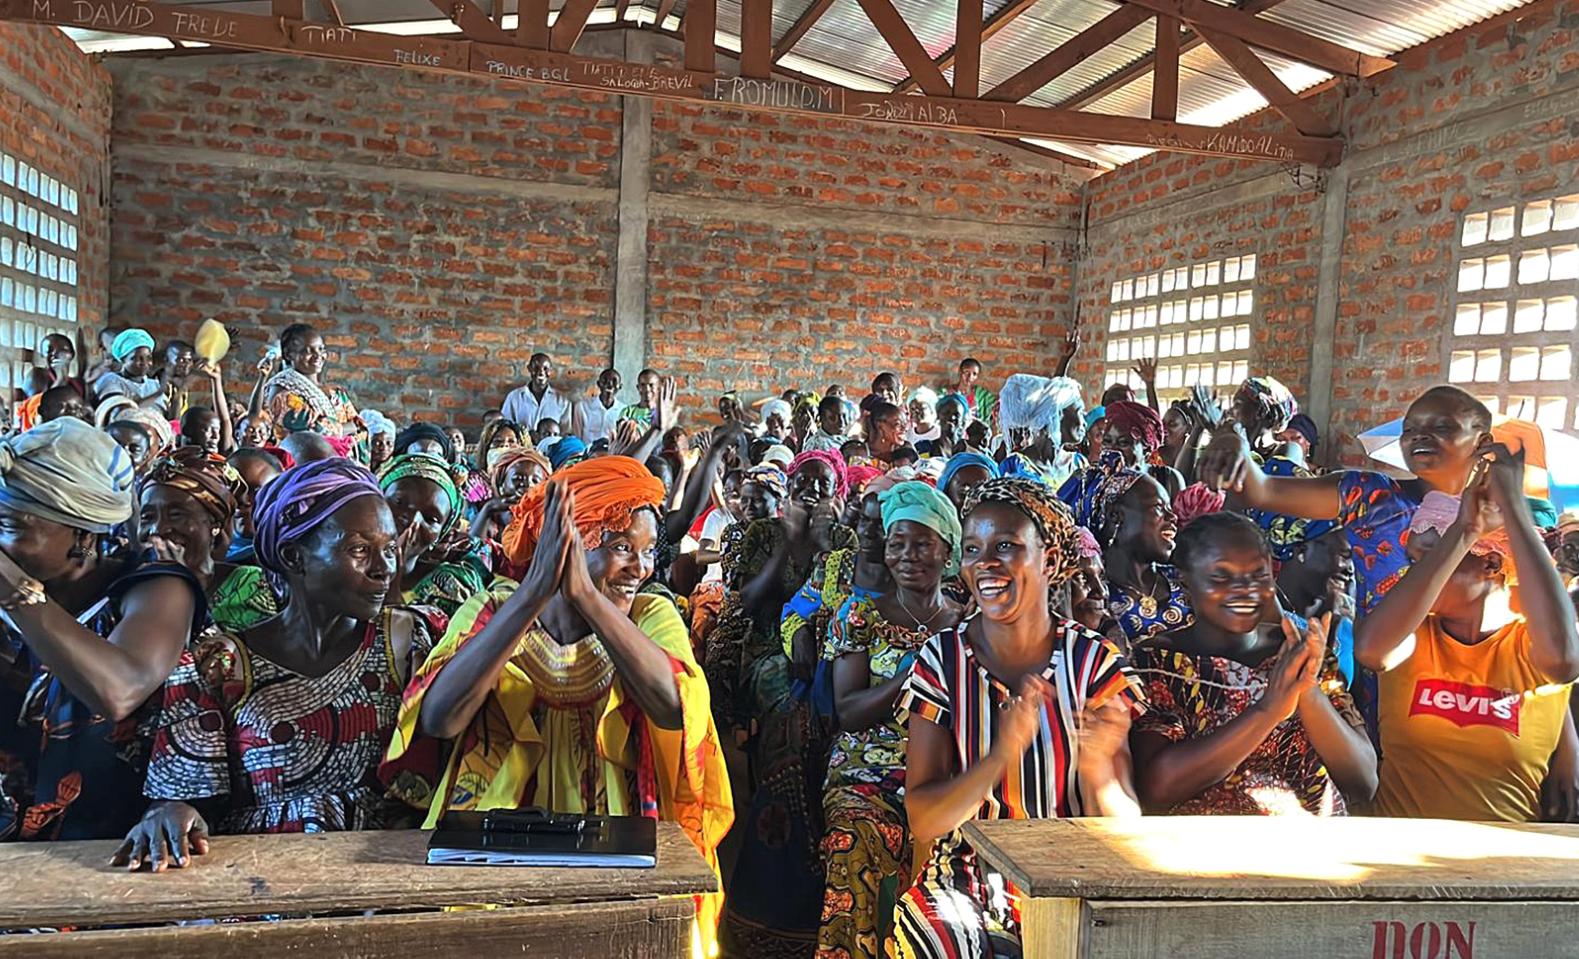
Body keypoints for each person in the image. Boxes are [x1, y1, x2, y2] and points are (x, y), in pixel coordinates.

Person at [381, 458, 732, 950]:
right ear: (567, 547)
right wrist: (533, 596)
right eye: (622, 548)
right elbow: (441, 718)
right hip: (499, 843)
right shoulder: (496, 608)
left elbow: (675, 708)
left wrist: (587, 597)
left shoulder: (653, 614)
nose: (641, 568)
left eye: (648, 551)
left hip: (619, 840)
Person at [115, 460, 444, 865]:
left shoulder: (416, 641)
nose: (384, 569)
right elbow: (180, 802)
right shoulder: (217, 665)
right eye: (359, 549)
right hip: (259, 886)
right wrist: (170, 814)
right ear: (293, 556)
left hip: (387, 884)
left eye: (389, 549)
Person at [895, 478, 1143, 958]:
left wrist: (1097, 770)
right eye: (972, 548)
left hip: (1072, 874)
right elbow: (924, 820)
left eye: (1006, 546)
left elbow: (1124, 830)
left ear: (1049, 561)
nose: (984, 562)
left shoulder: (1092, 663)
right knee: (936, 941)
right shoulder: (943, 658)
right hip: (969, 874)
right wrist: (999, 757)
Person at [0, 418, 207, 841]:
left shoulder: (156, 586)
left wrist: (13, 591)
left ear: (84, 530)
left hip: (107, 846)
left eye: (12, 527)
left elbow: (120, 689)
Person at [1356, 451, 1579, 822]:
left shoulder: (1531, 646)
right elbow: (1370, 650)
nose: (1416, 577)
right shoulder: (1410, 635)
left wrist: (1513, 508)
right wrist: (1463, 531)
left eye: (1432, 560)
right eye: (1415, 562)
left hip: (1502, 868)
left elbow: (1564, 662)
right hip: (1398, 862)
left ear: (1490, 564)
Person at [710, 449, 858, 957]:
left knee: (844, 711)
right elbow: (747, 602)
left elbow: (853, 606)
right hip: (769, 651)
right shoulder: (763, 534)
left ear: (836, 491)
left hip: (836, 648)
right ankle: (782, 872)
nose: (813, 493)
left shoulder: (845, 539)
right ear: (791, 487)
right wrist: (790, 544)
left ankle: (835, 854)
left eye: (823, 485)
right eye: (805, 483)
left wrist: (821, 548)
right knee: (794, 717)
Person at [1128, 513, 1377, 815]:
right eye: (1221, 576)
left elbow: (1363, 781)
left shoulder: (1299, 650)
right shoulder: (1155, 663)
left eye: (1258, 575)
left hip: (1312, 849)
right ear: (1185, 581)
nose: (1245, 588)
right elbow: (1157, 790)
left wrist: (1309, 693)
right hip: (1203, 854)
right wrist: (1268, 710)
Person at [820, 481, 963, 959]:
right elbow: (849, 711)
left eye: (922, 543)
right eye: (897, 543)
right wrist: (907, 677)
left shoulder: (967, 624)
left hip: (944, 774)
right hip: (867, 775)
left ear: (948, 551)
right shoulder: (861, 613)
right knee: (854, 842)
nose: (907, 555)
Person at [380, 453, 489, 617]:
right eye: (399, 503)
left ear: (442, 532)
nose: (413, 521)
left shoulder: (451, 585)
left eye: (431, 519)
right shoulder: (345, 564)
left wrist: (393, 578)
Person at [1100, 473, 1189, 650]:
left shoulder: (1187, 579)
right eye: (1158, 507)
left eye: (1169, 508)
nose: (1172, 517)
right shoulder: (1095, 595)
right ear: (1115, 516)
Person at [1277, 527, 1358, 685]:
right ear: (1301, 551)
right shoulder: (1266, 618)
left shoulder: (1348, 626)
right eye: (1344, 555)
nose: (1351, 570)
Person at [261, 324, 362, 446]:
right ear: (288, 354)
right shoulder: (282, 390)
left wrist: (343, 428)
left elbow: (361, 427)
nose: (318, 355)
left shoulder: (335, 392)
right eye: (308, 351)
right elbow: (312, 434)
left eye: (321, 349)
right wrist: (348, 428)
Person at [998, 373, 1087, 489]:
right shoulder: (1016, 466)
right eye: (1079, 412)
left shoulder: (1079, 464)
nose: (1084, 422)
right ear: (1055, 416)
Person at [222, 447, 282, 564]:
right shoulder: (202, 548)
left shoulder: (285, 558)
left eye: (257, 491)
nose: (243, 500)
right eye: (233, 488)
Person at [94, 329, 166, 413]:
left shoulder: (153, 385)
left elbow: (170, 417)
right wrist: (159, 393)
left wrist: (178, 394)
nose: (145, 363)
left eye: (149, 358)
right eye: (137, 358)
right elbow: (123, 412)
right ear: (123, 359)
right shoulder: (110, 381)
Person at [499, 353, 571, 430]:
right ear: (529, 369)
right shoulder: (514, 397)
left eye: (545, 369)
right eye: (536, 368)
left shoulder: (562, 401)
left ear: (550, 371)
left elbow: (565, 432)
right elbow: (505, 427)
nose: (541, 372)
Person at [571, 368, 623, 445]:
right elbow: (577, 438)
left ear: (620, 386)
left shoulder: (624, 410)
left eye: (614, 381)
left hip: (612, 455)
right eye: (605, 380)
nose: (610, 384)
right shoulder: (582, 407)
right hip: (588, 455)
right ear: (598, 384)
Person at [952, 357, 997, 429]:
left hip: (975, 437)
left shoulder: (982, 396)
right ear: (960, 372)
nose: (970, 377)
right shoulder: (947, 393)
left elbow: (994, 414)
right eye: (967, 372)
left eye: (974, 374)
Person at [866, 401, 908, 469]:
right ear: (880, 426)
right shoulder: (861, 452)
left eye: (905, 424)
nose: (904, 429)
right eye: (897, 424)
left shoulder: (906, 451)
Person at [933, 393, 969, 460]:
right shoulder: (925, 447)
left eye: (957, 415)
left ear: (963, 420)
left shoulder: (970, 451)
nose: (952, 417)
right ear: (938, 415)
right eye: (946, 413)